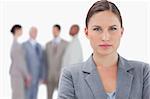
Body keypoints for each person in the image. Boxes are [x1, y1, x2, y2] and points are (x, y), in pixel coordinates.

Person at [58, 0, 150, 99]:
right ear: (86, 32)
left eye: (113, 28)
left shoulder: (143, 72)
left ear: (121, 32)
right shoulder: (70, 75)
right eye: (97, 29)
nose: (105, 37)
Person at [45, 24, 68, 99]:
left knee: (62, 96)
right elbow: (45, 62)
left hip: (61, 75)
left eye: (55, 30)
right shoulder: (47, 45)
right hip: (49, 75)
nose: (53, 32)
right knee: (49, 96)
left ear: (59, 31)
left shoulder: (65, 44)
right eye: (53, 30)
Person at [22, 27, 45, 99]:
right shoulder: (24, 45)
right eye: (33, 32)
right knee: (27, 95)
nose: (34, 33)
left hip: (37, 77)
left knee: (35, 96)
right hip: (28, 76)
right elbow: (23, 62)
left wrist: (42, 76)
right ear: (29, 33)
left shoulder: (39, 46)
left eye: (36, 32)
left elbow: (42, 62)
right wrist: (25, 75)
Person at [9, 24, 31, 99]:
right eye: (21, 30)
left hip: (16, 74)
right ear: (17, 30)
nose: (22, 31)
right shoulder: (17, 46)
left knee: (17, 95)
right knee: (18, 96)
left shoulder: (15, 44)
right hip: (17, 75)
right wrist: (27, 75)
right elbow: (20, 63)